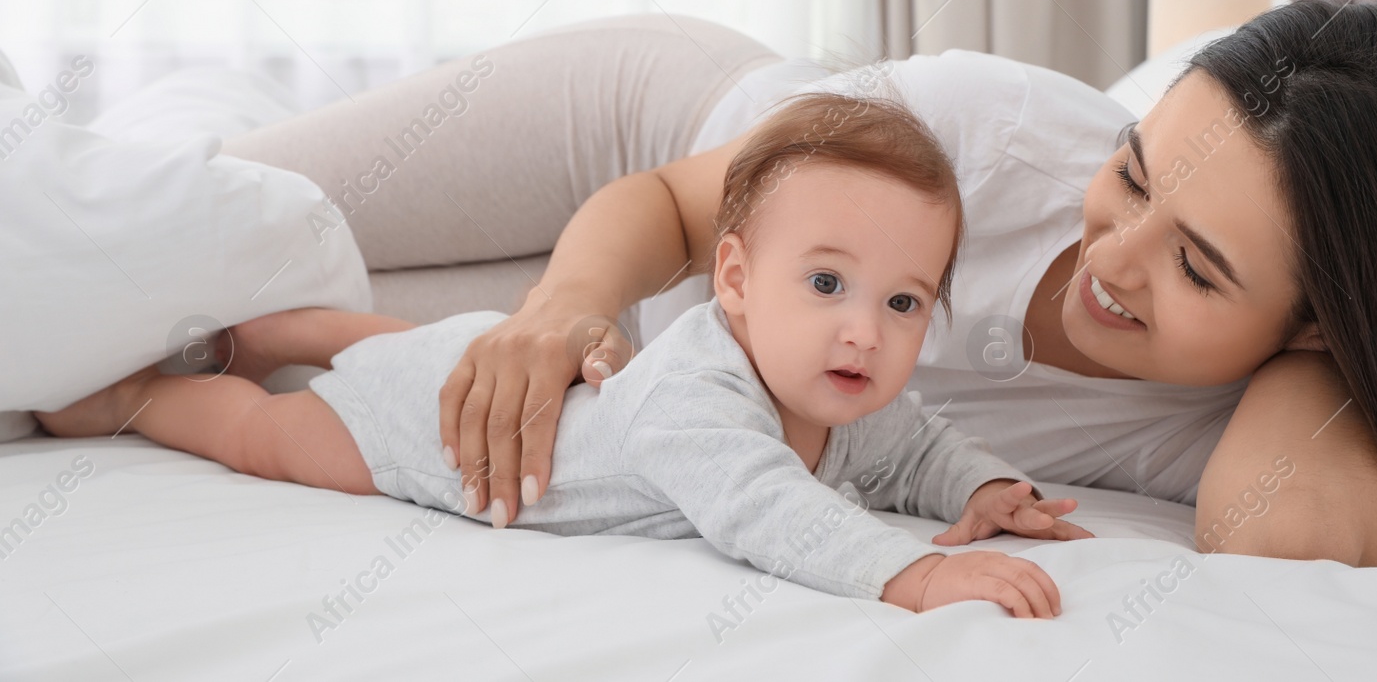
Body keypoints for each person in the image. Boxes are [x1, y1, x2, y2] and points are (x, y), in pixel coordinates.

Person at [216, 0, 1377, 566]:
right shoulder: (993, 127)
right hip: (643, 163)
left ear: (1318, 320)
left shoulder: (1265, 416)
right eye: (1131, 172)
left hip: (640, 373)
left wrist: (1329, 360)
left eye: (1196, 263)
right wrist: (562, 307)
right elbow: (675, 202)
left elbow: (1288, 541)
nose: (1111, 262)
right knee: (221, 217)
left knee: (222, 323)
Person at [35, 92, 1094, 617]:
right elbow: (769, 511)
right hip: (445, 439)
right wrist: (911, 571)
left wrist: (987, 485)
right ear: (733, 278)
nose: (863, 327)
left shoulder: (847, 385)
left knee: (431, 341)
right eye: (824, 283)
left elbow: (921, 448)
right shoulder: (697, 401)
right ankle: (137, 398)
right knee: (276, 432)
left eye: (903, 300)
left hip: (493, 367)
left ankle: (285, 330)